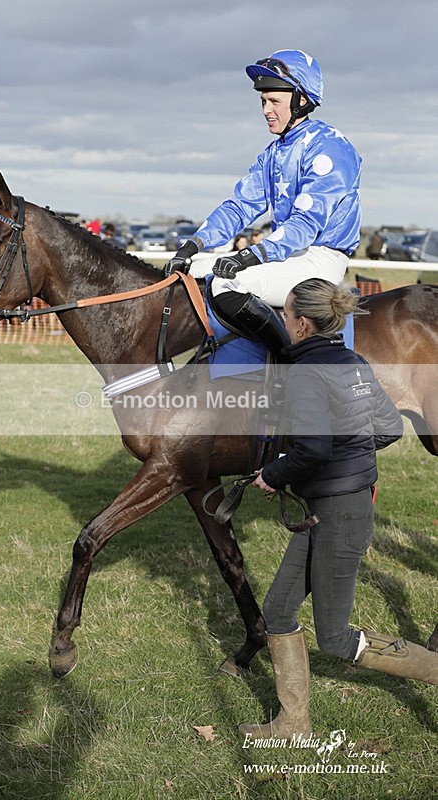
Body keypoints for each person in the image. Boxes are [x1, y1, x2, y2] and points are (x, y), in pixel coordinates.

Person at [238, 278, 437, 742]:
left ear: (302, 323)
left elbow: (310, 449)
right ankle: (293, 725)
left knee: (335, 639)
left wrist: (272, 475)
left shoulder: (305, 372)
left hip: (340, 514)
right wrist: (348, 451)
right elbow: (388, 426)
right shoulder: (352, 361)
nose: (283, 322)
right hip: (326, 509)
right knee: (280, 609)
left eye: (285, 315)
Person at [164, 49, 362, 362]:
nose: (266, 110)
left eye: (274, 102)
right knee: (194, 273)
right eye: (263, 102)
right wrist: (193, 245)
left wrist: (251, 254)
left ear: (301, 100)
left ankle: (290, 363)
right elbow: (239, 206)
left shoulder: (330, 148)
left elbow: (305, 225)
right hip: (288, 257)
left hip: (320, 261)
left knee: (227, 283)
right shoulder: (274, 153)